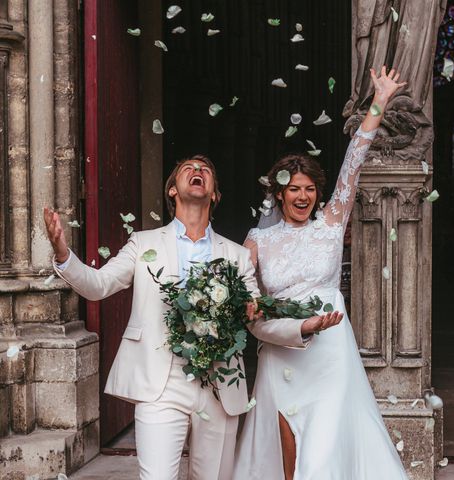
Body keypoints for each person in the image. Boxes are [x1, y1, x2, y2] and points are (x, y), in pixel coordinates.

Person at [43, 155, 342, 480]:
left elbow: (256, 319)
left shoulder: (237, 256)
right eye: (189, 168)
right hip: (160, 383)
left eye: (205, 171)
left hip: (218, 386)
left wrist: (302, 328)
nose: (197, 171)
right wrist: (62, 253)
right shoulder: (143, 244)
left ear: (214, 195)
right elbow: (97, 285)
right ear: (172, 191)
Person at [233, 66, 409, 480]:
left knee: (328, 434)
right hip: (282, 349)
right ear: (279, 194)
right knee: (287, 435)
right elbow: (245, 298)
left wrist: (379, 101)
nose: (303, 195)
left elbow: (354, 160)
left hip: (330, 346)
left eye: (310, 188)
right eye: (293, 188)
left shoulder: (332, 222)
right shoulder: (257, 240)